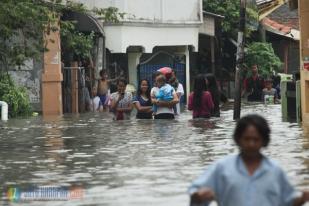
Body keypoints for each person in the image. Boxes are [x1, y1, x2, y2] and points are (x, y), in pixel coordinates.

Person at [189, 114, 309, 206]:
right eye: (247, 139)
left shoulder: (275, 170)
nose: (251, 144)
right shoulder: (223, 168)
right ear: (238, 139)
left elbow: (288, 201)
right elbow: (196, 192)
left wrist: (302, 198)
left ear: (264, 140)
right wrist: (199, 196)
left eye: (256, 139)